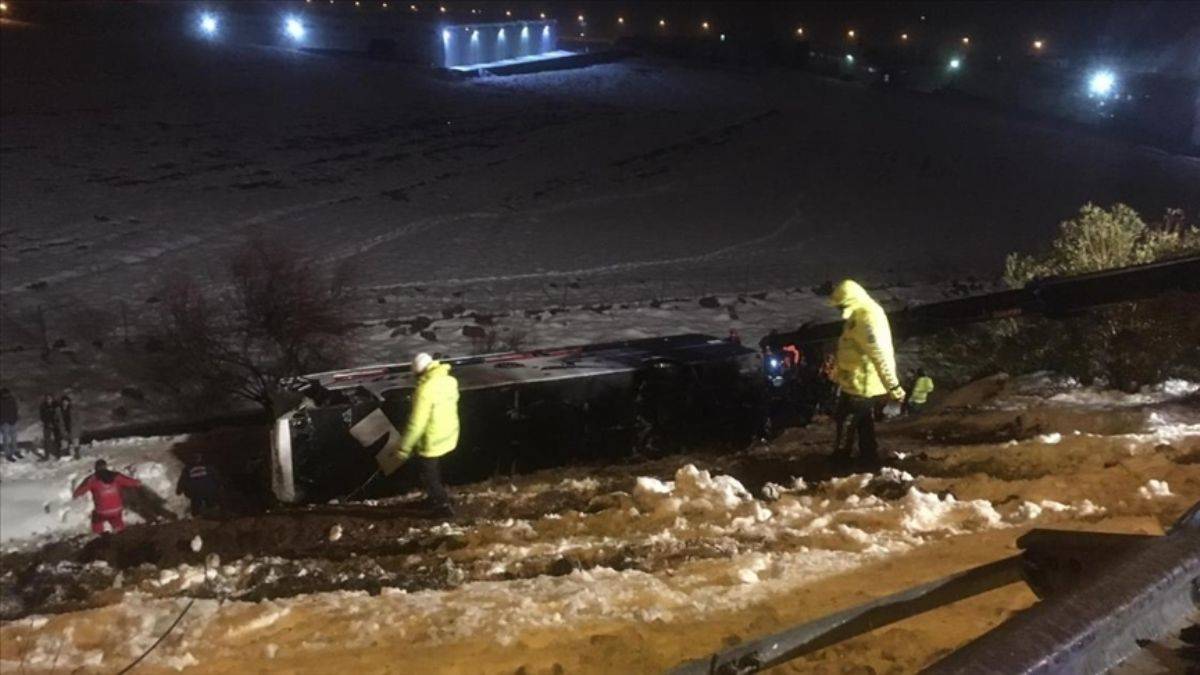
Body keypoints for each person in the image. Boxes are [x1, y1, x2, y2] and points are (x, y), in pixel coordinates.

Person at [828, 280, 905, 469]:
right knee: (863, 422)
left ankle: (841, 460)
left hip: (862, 384)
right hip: (856, 380)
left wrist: (893, 386)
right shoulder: (860, 313)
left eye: (841, 306)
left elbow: (879, 354)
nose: (839, 311)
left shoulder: (866, 319)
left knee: (846, 419)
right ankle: (869, 458)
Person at [398, 352, 460, 517]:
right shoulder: (450, 381)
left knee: (429, 475)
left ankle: (442, 506)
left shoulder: (424, 390)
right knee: (435, 470)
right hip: (449, 433)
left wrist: (404, 448)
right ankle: (437, 499)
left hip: (432, 439)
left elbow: (416, 424)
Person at [72, 459, 141, 534]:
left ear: (95, 468)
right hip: (117, 509)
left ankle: (99, 536)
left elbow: (78, 493)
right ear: (106, 467)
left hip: (102, 511)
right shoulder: (116, 476)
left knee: (96, 520)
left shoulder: (92, 479)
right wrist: (138, 482)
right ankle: (121, 534)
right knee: (117, 523)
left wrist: (76, 493)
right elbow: (133, 482)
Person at [56, 395, 83, 459]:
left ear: (68, 402)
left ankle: (77, 455)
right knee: (64, 443)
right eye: (63, 402)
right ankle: (65, 456)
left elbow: (79, 418)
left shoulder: (73, 409)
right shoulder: (58, 410)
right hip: (63, 428)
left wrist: (78, 427)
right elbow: (56, 419)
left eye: (66, 401)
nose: (65, 403)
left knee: (75, 442)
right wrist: (59, 426)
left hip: (73, 428)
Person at [39, 394, 61, 460]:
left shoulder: (56, 405)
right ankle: (47, 455)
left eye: (50, 398)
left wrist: (55, 422)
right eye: (47, 398)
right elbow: (42, 416)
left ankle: (58, 454)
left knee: (57, 440)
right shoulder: (43, 406)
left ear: (52, 399)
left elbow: (59, 415)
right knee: (47, 440)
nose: (48, 400)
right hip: (47, 424)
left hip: (55, 424)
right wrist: (47, 423)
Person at [1, 388, 21, 461]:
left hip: (13, 421)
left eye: (7, 394)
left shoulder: (12, 399)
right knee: (6, 439)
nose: (6, 395)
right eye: (5, 394)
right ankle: (8, 454)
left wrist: (17, 417)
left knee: (14, 438)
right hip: (4, 423)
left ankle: (15, 451)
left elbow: (16, 409)